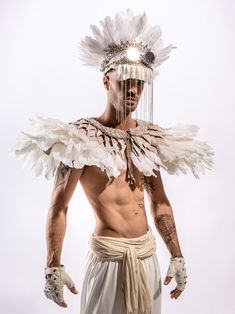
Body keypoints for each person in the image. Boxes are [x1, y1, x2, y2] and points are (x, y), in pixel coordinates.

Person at [9, 9, 214, 314]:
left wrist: (177, 255)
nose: (133, 90)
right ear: (107, 81)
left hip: (146, 257)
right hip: (108, 259)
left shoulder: (147, 138)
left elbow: (159, 202)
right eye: (125, 81)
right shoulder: (81, 138)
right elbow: (59, 206)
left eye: (140, 84)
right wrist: (53, 265)